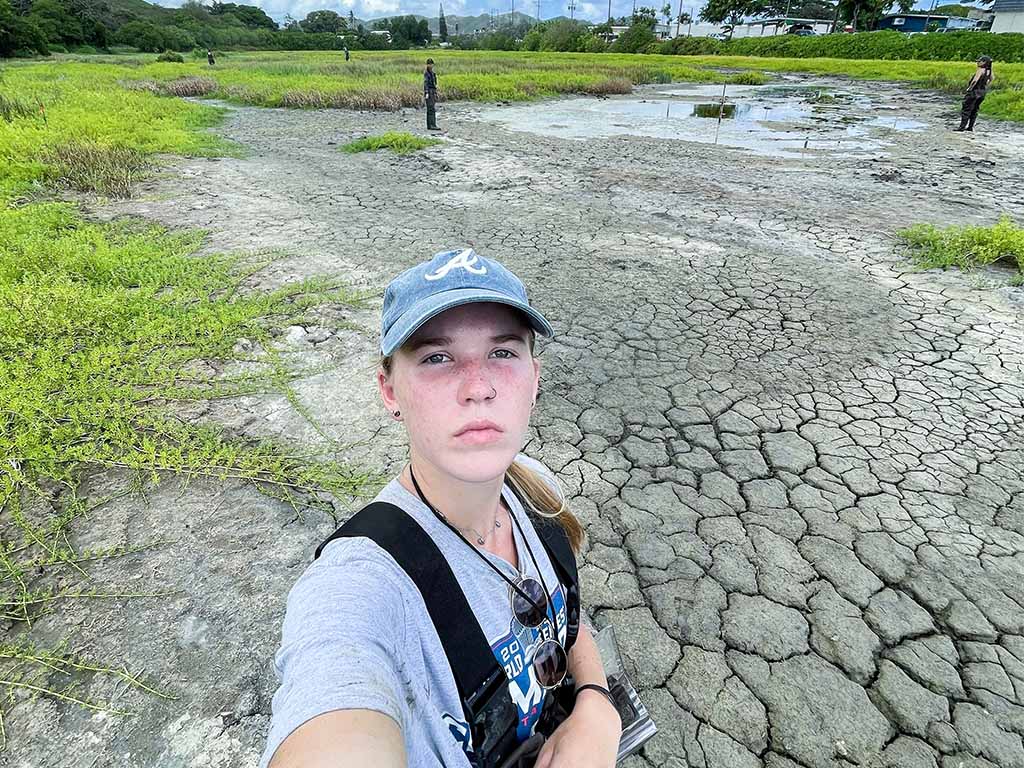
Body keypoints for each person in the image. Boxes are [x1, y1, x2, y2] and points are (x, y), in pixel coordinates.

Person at [259, 248, 622, 768]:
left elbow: (565, 620)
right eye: (436, 357)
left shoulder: (533, 489)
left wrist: (595, 701)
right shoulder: (363, 584)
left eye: (502, 352)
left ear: (534, 378)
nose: (478, 388)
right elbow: (334, 692)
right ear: (389, 391)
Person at [955, 55, 994, 132]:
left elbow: (975, 81)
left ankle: (961, 127)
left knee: (966, 109)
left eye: (979, 61)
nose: (977, 63)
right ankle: (970, 127)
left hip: (974, 92)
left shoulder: (980, 70)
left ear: (984, 62)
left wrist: (969, 89)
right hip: (982, 92)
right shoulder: (989, 71)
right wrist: (986, 85)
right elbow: (992, 78)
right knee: (975, 110)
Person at [424, 58, 439, 131]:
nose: (430, 65)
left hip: (433, 91)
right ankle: (432, 125)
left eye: (431, 64)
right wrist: (426, 92)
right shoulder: (427, 73)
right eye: (429, 64)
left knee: (431, 108)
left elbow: (435, 83)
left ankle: (430, 125)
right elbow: (425, 83)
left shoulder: (433, 73)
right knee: (431, 109)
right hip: (429, 91)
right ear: (427, 65)